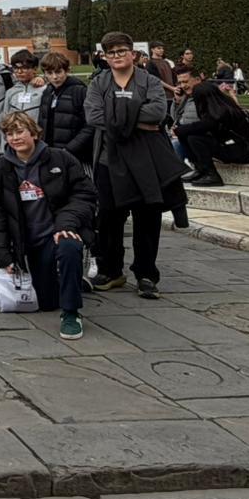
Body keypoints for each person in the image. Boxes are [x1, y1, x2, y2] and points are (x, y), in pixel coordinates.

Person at [85, 31, 187, 299]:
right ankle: (111, 270)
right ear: (105, 57)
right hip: (109, 159)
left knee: (147, 218)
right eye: (111, 53)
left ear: (133, 53)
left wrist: (117, 117)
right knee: (109, 217)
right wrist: (137, 121)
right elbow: (93, 115)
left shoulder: (149, 81)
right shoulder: (99, 83)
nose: (117, 56)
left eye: (121, 51)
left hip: (146, 160)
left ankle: (146, 273)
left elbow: (158, 112)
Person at [0, 110, 97, 341]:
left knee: (69, 247)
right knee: (46, 302)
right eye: (9, 133)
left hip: (59, 230)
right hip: (30, 240)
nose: (15, 138)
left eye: (19, 131)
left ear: (34, 133)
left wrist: (66, 224)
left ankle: (71, 313)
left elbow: (85, 195)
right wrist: (4, 256)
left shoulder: (61, 159)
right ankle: (70, 280)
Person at [179, 81, 249, 186]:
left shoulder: (220, 112)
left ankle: (211, 175)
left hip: (241, 152)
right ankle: (200, 169)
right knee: (188, 134)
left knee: (194, 138)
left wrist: (179, 130)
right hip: (235, 147)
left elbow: (205, 125)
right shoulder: (222, 105)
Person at [37, 52, 93, 164]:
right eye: (49, 73)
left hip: (77, 155)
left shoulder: (80, 91)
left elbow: (90, 125)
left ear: (67, 70)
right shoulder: (47, 92)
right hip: (51, 152)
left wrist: (70, 148)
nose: (54, 77)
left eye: (58, 72)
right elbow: (42, 122)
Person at [4, 50, 42, 120]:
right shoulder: (10, 92)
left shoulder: (43, 90)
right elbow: (6, 117)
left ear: (35, 69)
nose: (19, 72)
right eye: (16, 68)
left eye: (24, 68)